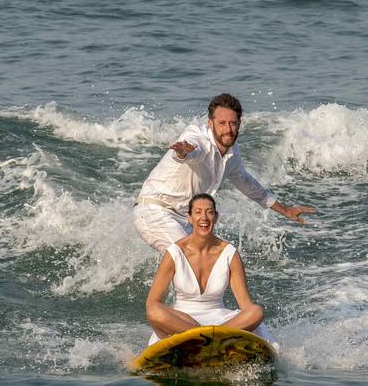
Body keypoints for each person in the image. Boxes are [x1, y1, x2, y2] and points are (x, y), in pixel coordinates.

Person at [134, 92, 315, 254]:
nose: (228, 129)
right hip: (155, 211)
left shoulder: (232, 154)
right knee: (190, 260)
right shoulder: (197, 138)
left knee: (215, 266)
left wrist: (285, 211)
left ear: (239, 124)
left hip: (185, 220)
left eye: (233, 123)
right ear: (210, 123)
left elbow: (248, 184)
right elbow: (193, 152)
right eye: (222, 123)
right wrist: (184, 152)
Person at [145, 193, 274, 346]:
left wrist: (244, 322)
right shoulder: (174, 253)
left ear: (216, 216)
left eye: (209, 212)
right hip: (183, 322)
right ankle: (211, 338)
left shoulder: (229, 254)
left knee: (256, 311)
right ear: (190, 217)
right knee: (154, 311)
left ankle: (205, 339)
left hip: (222, 322)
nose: (204, 218)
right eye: (198, 212)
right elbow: (153, 302)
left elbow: (246, 306)